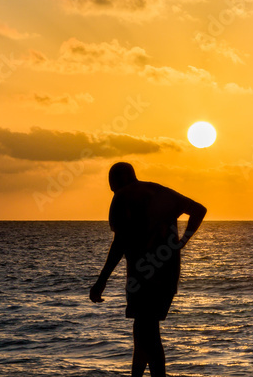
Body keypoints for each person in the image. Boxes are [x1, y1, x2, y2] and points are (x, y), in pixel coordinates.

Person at [90, 162, 207, 377]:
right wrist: (183, 241)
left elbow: (119, 243)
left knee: (148, 334)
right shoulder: (161, 192)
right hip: (168, 274)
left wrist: (102, 281)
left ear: (120, 179)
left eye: (111, 181)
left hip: (142, 277)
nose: (110, 188)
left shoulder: (123, 196)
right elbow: (199, 210)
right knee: (143, 330)